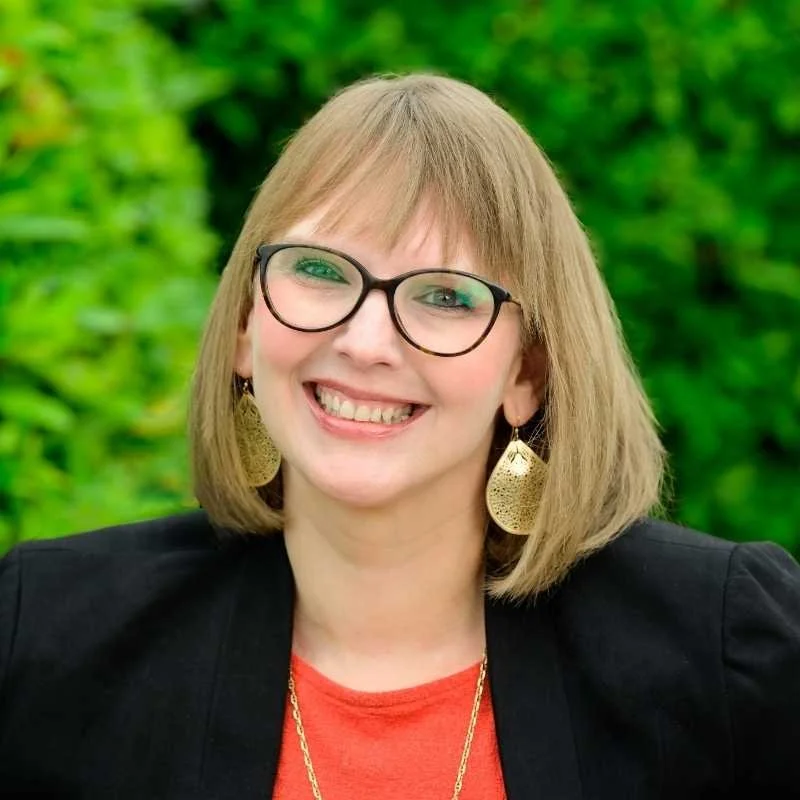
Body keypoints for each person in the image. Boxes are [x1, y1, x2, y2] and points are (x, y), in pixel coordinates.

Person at [0, 73, 798, 800]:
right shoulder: (44, 640)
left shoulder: (728, 654)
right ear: (246, 325)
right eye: (319, 271)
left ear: (528, 372)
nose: (366, 342)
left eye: (445, 296)